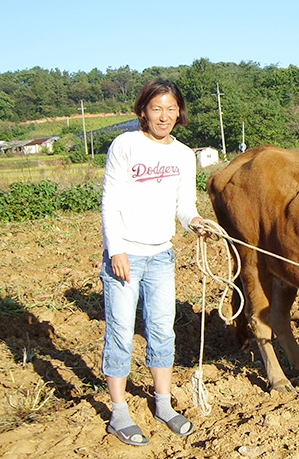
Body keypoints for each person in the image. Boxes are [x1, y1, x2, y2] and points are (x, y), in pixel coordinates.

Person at [100, 78, 209, 446]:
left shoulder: (183, 154)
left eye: (171, 108)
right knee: (120, 334)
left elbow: (184, 207)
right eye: (156, 108)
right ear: (143, 111)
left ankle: (162, 403)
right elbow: (110, 201)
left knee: (162, 331)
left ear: (180, 112)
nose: (164, 116)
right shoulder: (126, 145)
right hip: (126, 254)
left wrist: (194, 222)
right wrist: (116, 249)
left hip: (162, 255)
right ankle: (119, 412)